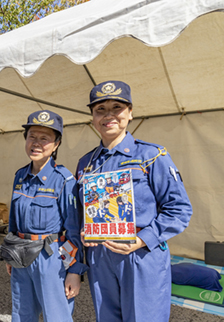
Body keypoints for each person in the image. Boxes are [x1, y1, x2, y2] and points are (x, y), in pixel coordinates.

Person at [76, 80, 192, 322]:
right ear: (92, 117)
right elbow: (82, 210)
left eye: (116, 107)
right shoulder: (86, 164)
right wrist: (85, 230)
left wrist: (142, 240)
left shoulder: (151, 156)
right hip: (100, 257)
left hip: (140, 255)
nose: (108, 115)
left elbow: (179, 210)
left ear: (130, 113)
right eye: (100, 110)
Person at [7, 110, 88, 322]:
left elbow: (73, 229)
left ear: (56, 144)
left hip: (51, 256)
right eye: (32, 136)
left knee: (57, 316)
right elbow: (13, 222)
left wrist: (74, 270)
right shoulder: (19, 176)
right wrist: (9, 252)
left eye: (45, 138)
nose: (36, 143)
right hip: (20, 255)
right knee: (22, 315)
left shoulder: (64, 179)